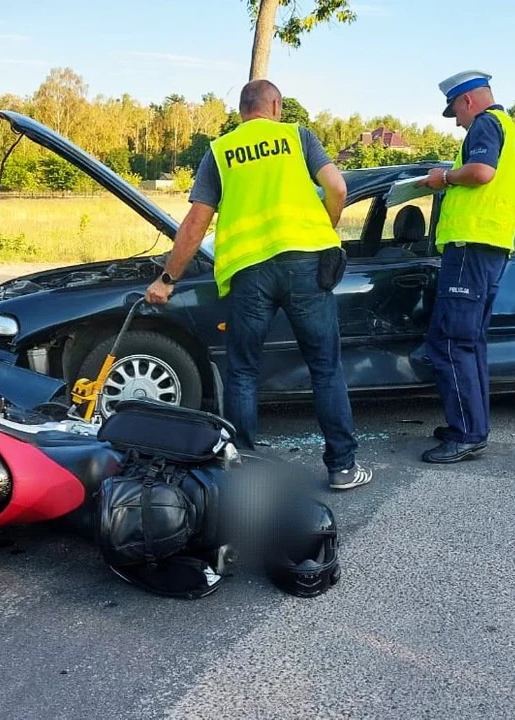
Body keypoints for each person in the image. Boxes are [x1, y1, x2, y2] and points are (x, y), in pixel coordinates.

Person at [144, 79, 372, 491]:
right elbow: (338, 187)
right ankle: (342, 467)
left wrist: (167, 278)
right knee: (325, 368)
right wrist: (325, 227)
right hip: (306, 264)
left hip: (250, 271)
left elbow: (197, 221)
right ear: (276, 106)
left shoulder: (221, 151)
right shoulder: (297, 136)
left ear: (242, 110)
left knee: (244, 371)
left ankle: (242, 469)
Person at [414, 70, 515, 464]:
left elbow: (482, 173)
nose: (458, 123)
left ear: (467, 101)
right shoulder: (514, 135)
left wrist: (443, 178)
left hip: (470, 249)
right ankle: (470, 426)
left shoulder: (485, 123)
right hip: (492, 250)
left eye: (456, 114)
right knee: (471, 343)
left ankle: (466, 434)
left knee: (451, 341)